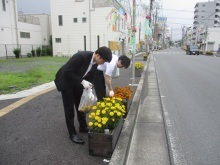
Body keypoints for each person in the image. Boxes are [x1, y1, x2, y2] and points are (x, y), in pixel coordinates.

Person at [54, 46, 112, 145]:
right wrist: (82, 81)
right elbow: (67, 71)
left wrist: (89, 88)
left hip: (77, 82)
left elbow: (91, 77)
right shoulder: (81, 56)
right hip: (66, 81)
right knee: (69, 108)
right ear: (97, 55)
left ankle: (83, 126)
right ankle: (72, 133)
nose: (103, 63)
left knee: (81, 104)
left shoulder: (95, 63)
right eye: (103, 60)